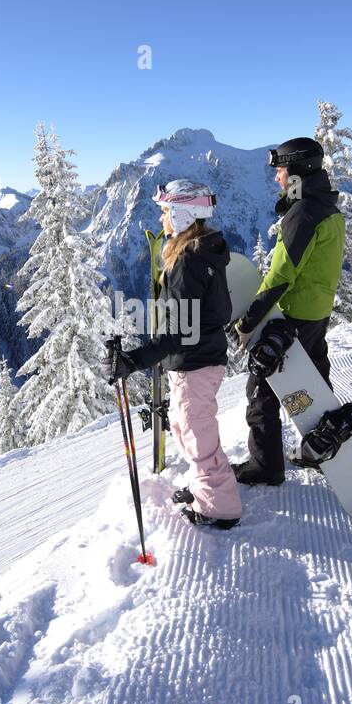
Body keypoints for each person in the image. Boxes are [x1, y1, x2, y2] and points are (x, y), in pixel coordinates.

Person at [107, 180, 242, 530]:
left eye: (166, 211)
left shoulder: (188, 262)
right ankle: (204, 489)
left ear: (184, 215)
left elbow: (180, 330)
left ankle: (220, 508)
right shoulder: (204, 253)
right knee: (186, 430)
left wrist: (134, 361)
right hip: (200, 360)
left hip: (194, 364)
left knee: (199, 438)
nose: (162, 217)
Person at [233, 137, 345, 486]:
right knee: (315, 384)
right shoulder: (325, 206)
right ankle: (321, 447)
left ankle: (265, 465)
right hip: (318, 311)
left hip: (294, 314)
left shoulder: (304, 213)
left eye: (280, 170)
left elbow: (281, 274)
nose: (276, 178)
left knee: (262, 389)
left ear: (296, 172)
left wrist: (249, 320)